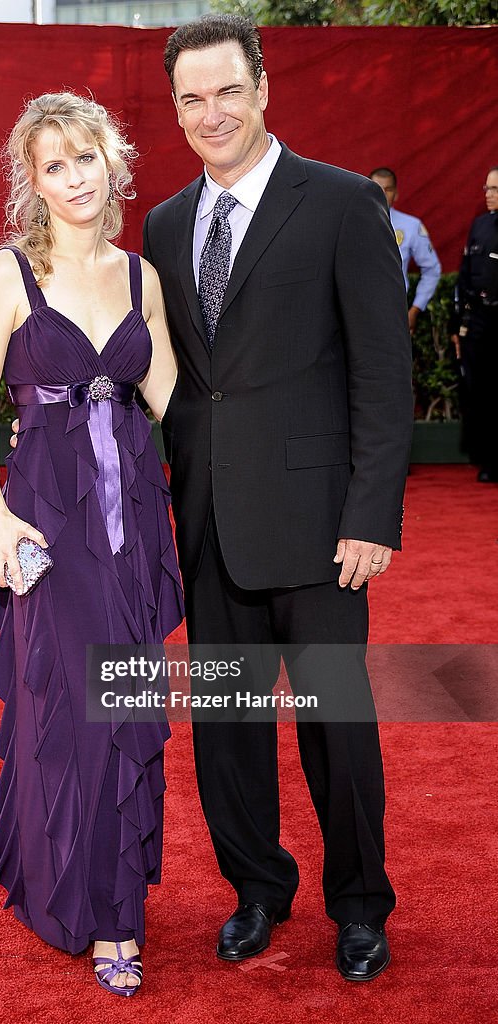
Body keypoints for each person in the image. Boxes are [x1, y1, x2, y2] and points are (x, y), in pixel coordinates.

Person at [142, 16, 413, 981]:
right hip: (207, 520)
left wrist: (370, 518)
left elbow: (384, 372)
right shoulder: (165, 224)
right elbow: (173, 377)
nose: (210, 113)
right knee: (226, 728)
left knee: (338, 729)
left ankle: (359, 906)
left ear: (262, 88)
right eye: (191, 98)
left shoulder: (341, 203)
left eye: (226, 91)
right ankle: (257, 889)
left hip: (320, 525)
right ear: (174, 110)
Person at [0, 92, 183, 997]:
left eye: (85, 157)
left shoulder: (142, 280)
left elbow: (177, 407)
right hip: (48, 525)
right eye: (54, 165)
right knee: (79, 714)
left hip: (133, 525)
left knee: (126, 711)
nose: (74, 176)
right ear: (33, 181)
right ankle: (89, 910)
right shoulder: (9, 275)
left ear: (113, 163)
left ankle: (112, 908)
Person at [452, 166, 498, 483]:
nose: (489, 195)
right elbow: (466, 273)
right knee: (481, 390)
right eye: (487, 188)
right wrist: (459, 324)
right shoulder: (480, 225)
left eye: (494, 189)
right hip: (481, 322)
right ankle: (488, 458)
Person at [369, 166, 441, 335]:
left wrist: (415, 309)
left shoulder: (411, 226)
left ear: (396, 194)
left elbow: (432, 269)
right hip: (355, 309)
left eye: (388, 189)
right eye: (376, 188)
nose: (382, 194)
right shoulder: (349, 223)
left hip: (394, 310)